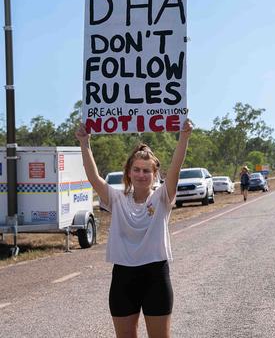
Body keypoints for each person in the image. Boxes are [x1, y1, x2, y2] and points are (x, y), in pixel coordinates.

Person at [76, 119, 192, 338]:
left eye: (147, 171)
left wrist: (183, 137)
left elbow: (175, 170)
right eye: (136, 169)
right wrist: (85, 143)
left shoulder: (162, 198)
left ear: (155, 175)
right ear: (128, 172)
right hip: (123, 277)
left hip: (156, 275)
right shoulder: (116, 199)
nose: (141, 174)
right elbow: (94, 178)